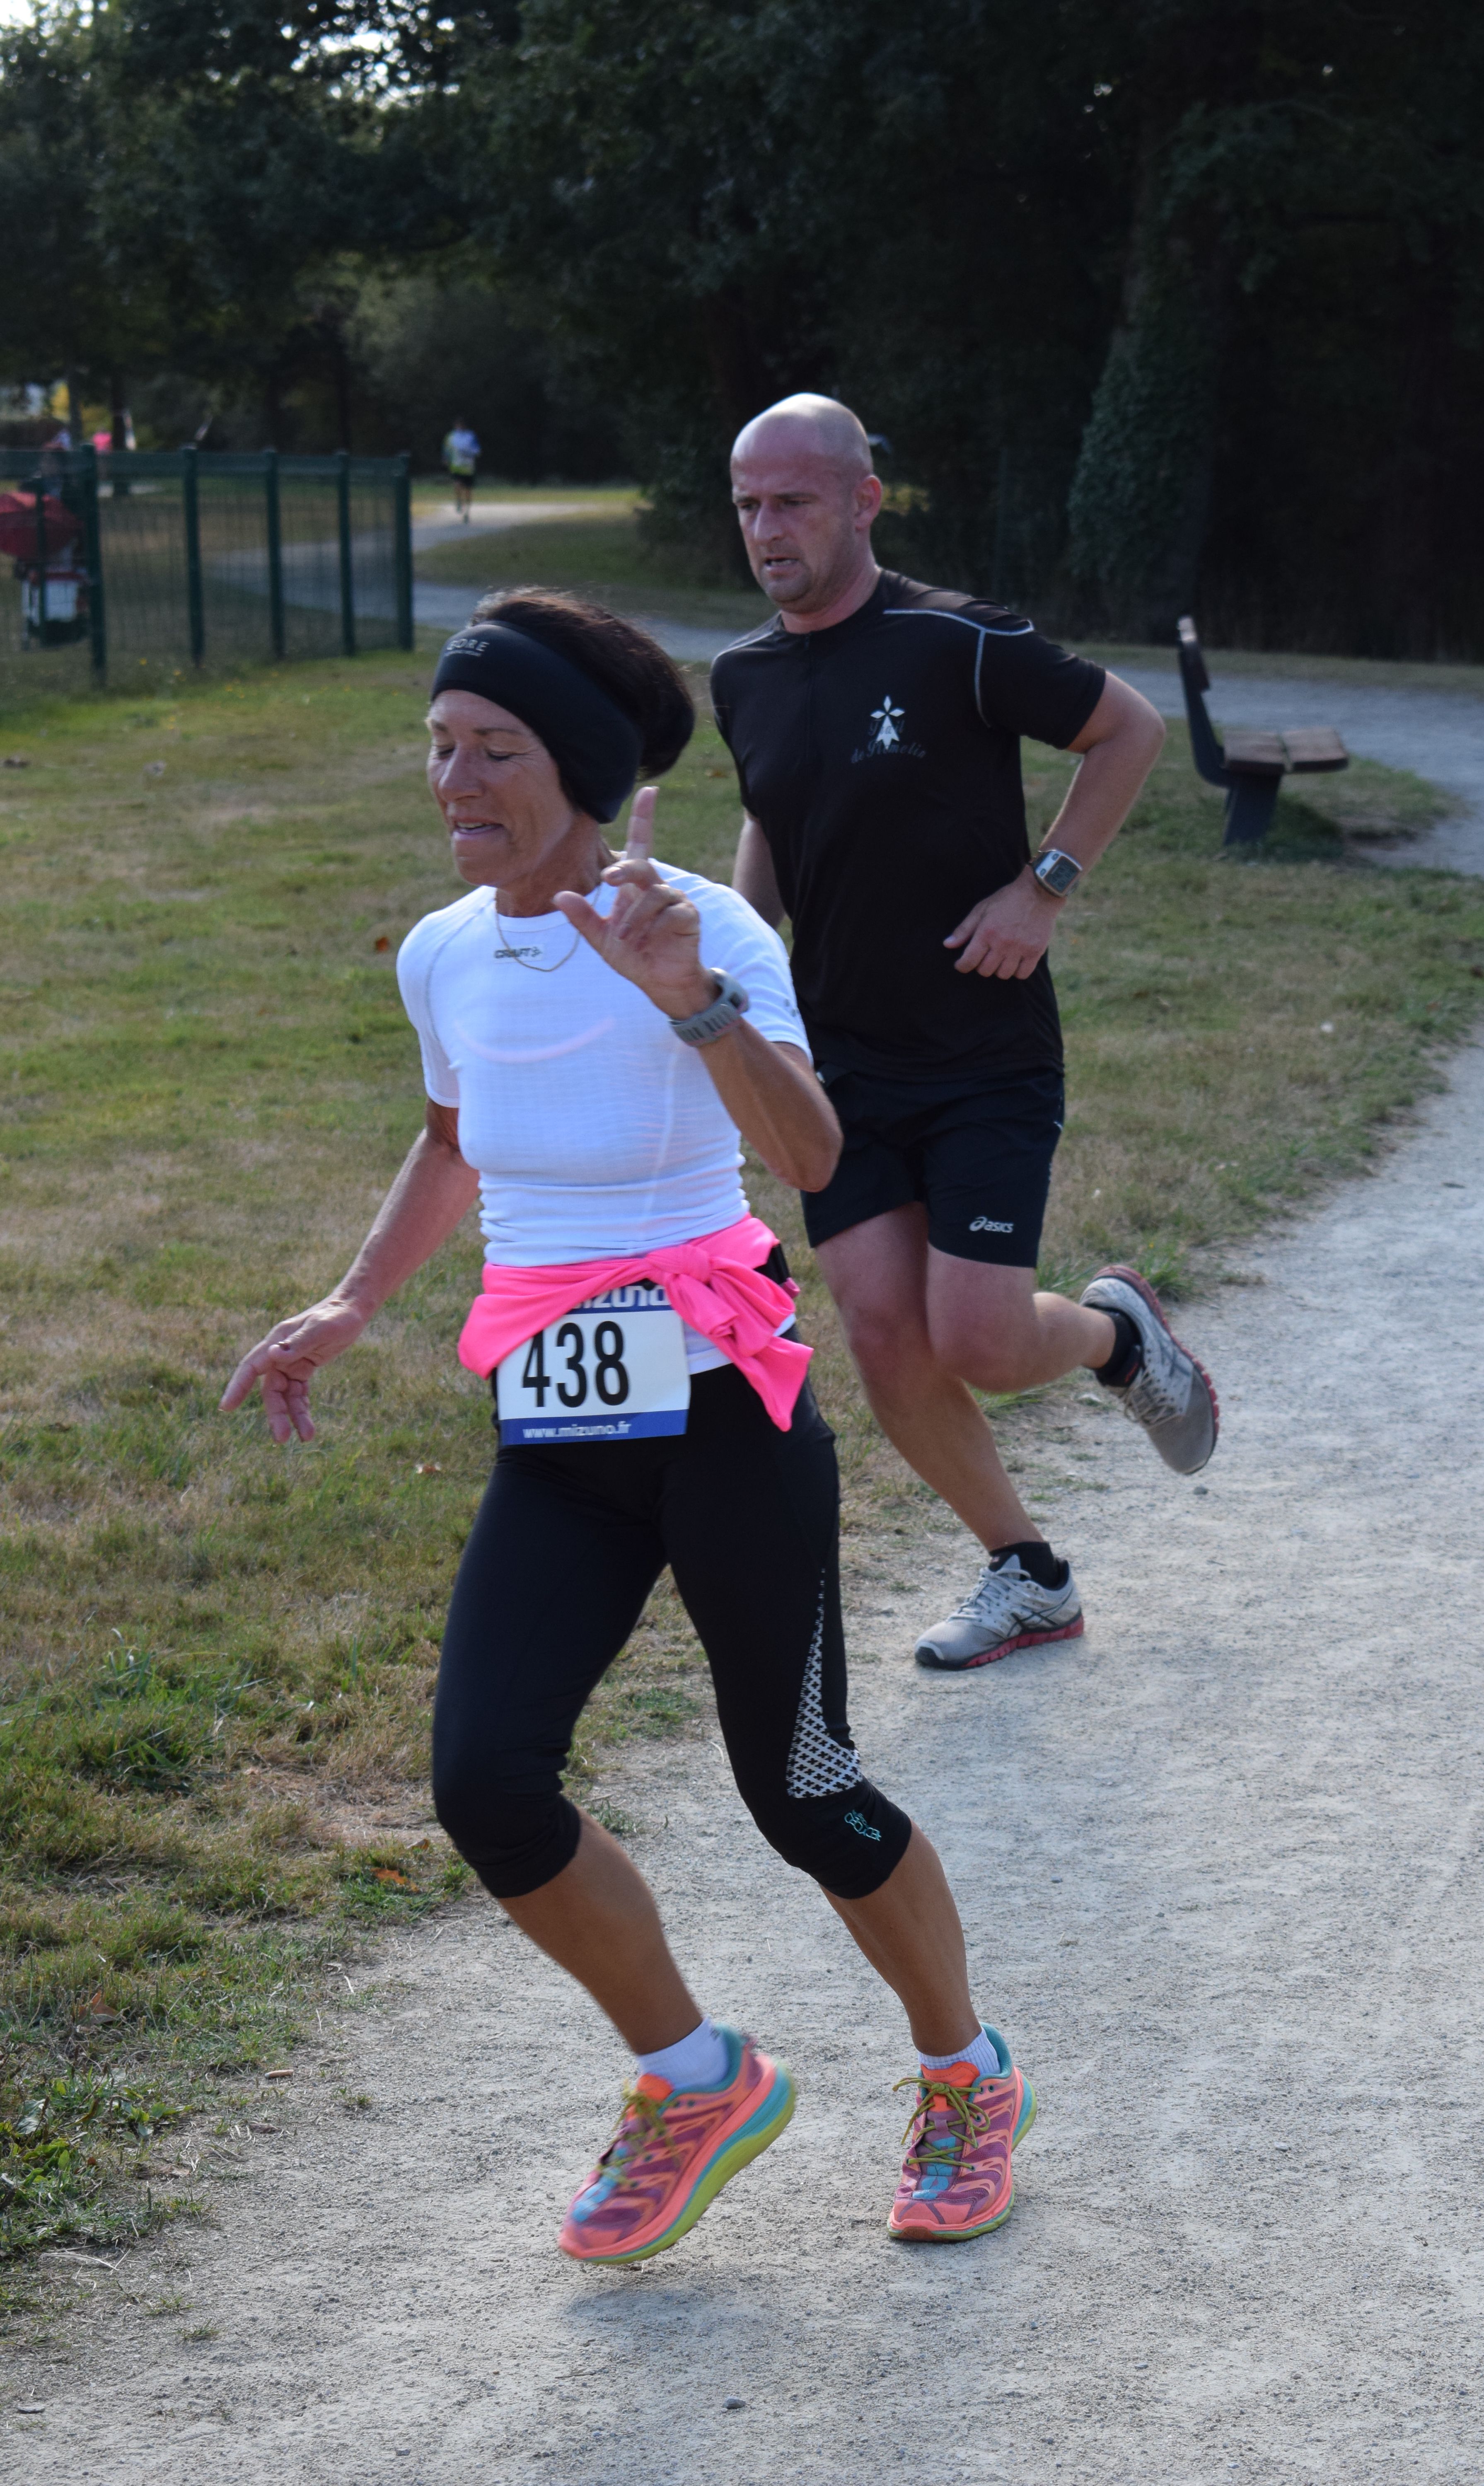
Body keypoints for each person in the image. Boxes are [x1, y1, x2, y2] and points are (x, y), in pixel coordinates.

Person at [220, 590, 1036, 2259]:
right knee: (486, 1784)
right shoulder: (442, 952)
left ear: (581, 771)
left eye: (494, 751)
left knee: (802, 1787)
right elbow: (454, 1136)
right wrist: (352, 1302)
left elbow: (813, 1160)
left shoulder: (703, 932)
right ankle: (694, 2077)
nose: (455, 781)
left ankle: (966, 2072)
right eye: (440, 748)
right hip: (556, 1433)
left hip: (726, 1413)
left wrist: (691, 1000)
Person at [712, 395, 1219, 1673]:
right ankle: (1028, 1573)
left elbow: (1130, 728)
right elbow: (775, 813)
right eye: (748, 506)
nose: (767, 531)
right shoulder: (741, 676)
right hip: (840, 1064)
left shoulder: (957, 641)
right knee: (885, 1332)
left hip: (982, 1049)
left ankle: (1116, 1334)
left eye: (793, 503)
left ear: (863, 502)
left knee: (981, 1340)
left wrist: (1043, 889)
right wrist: (740, 950)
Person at [442, 418, 480, 520]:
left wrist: (470, 453)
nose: (460, 427)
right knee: (457, 484)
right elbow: (446, 448)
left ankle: (467, 512)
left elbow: (477, 450)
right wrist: (446, 458)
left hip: (468, 467)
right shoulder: (451, 436)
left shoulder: (471, 436)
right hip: (457, 466)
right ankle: (459, 501)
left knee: (468, 490)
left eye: (461, 425)